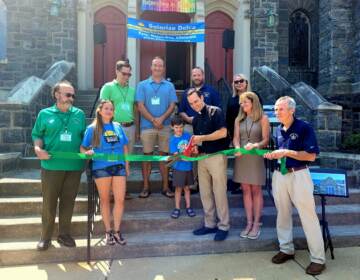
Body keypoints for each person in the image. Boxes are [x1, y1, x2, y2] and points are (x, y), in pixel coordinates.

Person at [264, 96, 326, 276]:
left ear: (292, 110)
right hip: (280, 175)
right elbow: (281, 154)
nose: (277, 112)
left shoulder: (304, 128)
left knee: (308, 216)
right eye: (275, 109)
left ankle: (317, 259)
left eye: (280, 109)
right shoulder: (278, 130)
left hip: (299, 175)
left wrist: (286, 152)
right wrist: (272, 155)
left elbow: (311, 156)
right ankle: (286, 249)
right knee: (282, 214)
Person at [32, 80, 86, 251]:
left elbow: (83, 138)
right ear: (57, 94)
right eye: (68, 94)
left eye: (73, 95)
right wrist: (37, 148)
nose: (71, 98)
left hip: (74, 166)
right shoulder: (44, 114)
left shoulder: (79, 114)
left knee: (68, 202)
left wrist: (86, 150)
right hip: (51, 166)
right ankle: (45, 237)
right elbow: (37, 135)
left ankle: (64, 234)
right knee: (49, 203)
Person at [80, 100, 129, 245]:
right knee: (105, 199)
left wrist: (127, 165)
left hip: (118, 166)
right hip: (101, 167)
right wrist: (87, 152)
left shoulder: (118, 126)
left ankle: (117, 231)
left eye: (112, 109)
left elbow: (125, 147)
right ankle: (108, 231)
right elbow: (82, 148)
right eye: (106, 108)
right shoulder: (92, 128)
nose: (109, 111)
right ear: (100, 111)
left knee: (120, 199)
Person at [187, 88, 230, 241]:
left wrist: (202, 138)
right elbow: (198, 142)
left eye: (196, 101)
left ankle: (224, 226)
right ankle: (209, 224)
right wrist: (193, 148)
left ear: (202, 98)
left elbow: (223, 133)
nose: (194, 105)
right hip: (201, 158)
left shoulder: (215, 111)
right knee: (205, 193)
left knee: (219, 192)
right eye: (191, 103)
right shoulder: (196, 119)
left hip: (217, 157)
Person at [135, 56, 177, 198]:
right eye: (155, 65)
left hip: (165, 127)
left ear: (163, 68)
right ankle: (146, 187)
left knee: (164, 157)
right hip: (147, 127)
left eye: (160, 66)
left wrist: (161, 119)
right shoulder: (142, 85)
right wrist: (153, 120)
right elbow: (140, 106)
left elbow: (172, 105)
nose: (158, 68)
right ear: (151, 67)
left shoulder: (169, 86)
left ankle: (165, 187)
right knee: (147, 158)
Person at [233, 92, 270, 239]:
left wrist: (256, 145)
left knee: (256, 190)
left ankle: (256, 224)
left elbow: (266, 140)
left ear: (253, 103)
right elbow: (236, 138)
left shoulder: (263, 118)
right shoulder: (238, 119)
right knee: (245, 190)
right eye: (241, 103)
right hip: (242, 158)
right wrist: (236, 147)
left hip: (255, 157)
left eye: (245, 103)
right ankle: (248, 223)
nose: (242, 105)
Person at [100, 60, 135, 200]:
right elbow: (102, 109)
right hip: (113, 127)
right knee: (112, 159)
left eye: (129, 74)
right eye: (124, 73)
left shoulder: (132, 90)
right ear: (116, 71)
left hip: (129, 127)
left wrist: (136, 128)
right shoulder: (108, 87)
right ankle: (108, 191)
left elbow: (134, 109)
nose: (126, 76)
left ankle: (121, 190)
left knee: (126, 160)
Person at [169, 115, 196, 219]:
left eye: (180, 127)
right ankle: (177, 208)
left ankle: (189, 207)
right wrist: (183, 157)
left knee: (187, 188)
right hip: (178, 168)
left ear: (183, 126)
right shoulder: (172, 140)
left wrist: (194, 151)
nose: (179, 129)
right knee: (178, 189)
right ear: (172, 127)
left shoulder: (188, 135)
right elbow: (175, 154)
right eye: (176, 127)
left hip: (188, 167)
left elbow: (192, 147)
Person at [226, 74, 249, 140]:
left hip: (252, 130)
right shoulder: (231, 99)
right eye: (236, 82)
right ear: (234, 84)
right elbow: (228, 118)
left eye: (241, 81)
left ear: (246, 82)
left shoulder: (254, 96)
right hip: (236, 132)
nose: (239, 83)